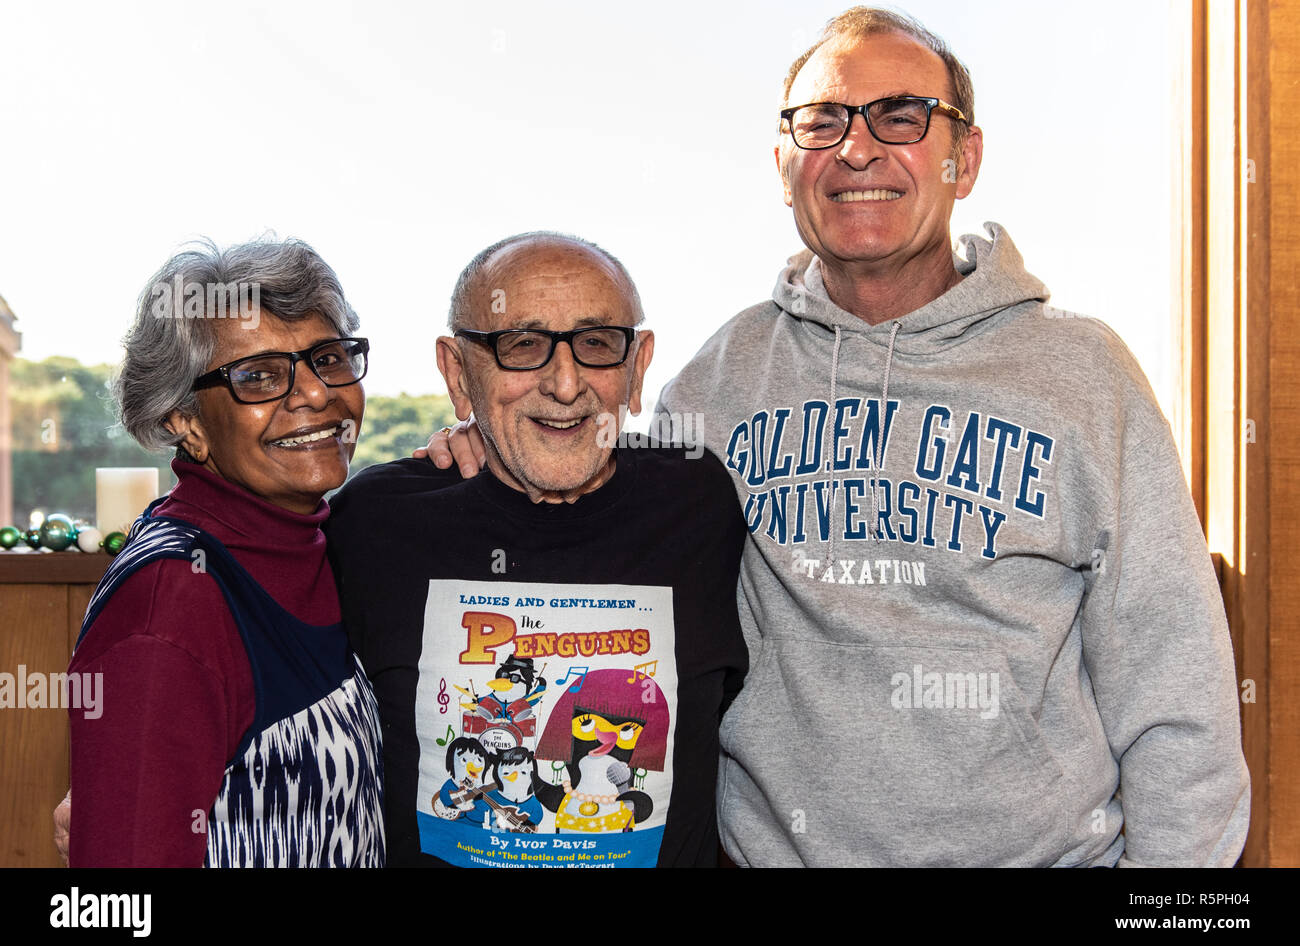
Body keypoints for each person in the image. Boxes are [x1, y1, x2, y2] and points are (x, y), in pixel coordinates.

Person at [432, 9, 1250, 867]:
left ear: (962, 159)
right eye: (821, 121)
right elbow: (584, 516)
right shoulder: (718, 378)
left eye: (901, 115)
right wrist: (481, 455)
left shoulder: (1086, 374)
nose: (857, 149)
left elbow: (1179, 696)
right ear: (782, 164)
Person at [326, 232, 747, 867]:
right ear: (457, 371)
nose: (566, 382)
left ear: (638, 366)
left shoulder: (699, 502)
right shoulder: (375, 523)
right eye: (521, 346)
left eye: (597, 344)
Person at [66, 238, 385, 866]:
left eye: (327, 357)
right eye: (258, 377)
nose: (317, 395)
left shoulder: (318, 543)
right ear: (184, 421)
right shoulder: (171, 600)